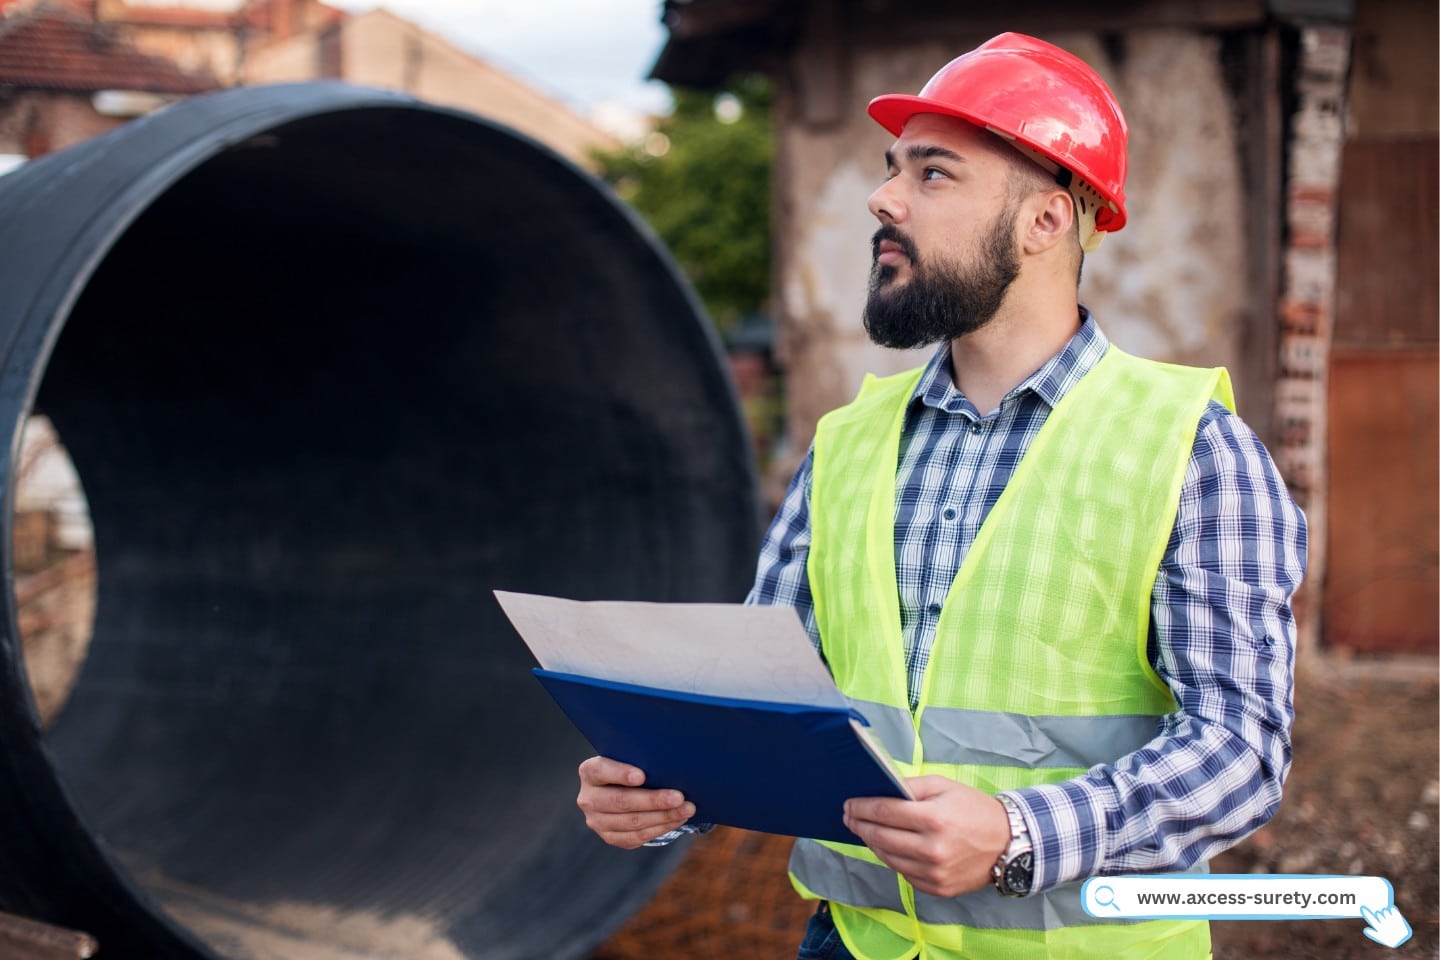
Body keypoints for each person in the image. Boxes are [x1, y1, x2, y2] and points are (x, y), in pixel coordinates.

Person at [577, 31, 1306, 960]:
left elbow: (1240, 748)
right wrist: (663, 787)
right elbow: (759, 709)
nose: (884, 199)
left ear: (1046, 221)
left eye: (934, 173)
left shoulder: (1192, 448)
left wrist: (1018, 833)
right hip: (855, 942)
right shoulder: (847, 445)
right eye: (894, 170)